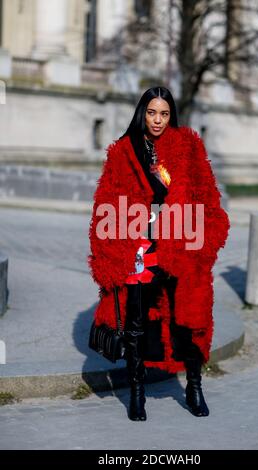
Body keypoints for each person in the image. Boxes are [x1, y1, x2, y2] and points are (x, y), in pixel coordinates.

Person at [88, 86, 230, 421]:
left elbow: (207, 197)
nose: (157, 120)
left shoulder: (188, 146)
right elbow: (106, 202)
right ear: (142, 112)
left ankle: (194, 387)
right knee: (136, 323)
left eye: (164, 114)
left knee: (187, 319)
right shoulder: (124, 151)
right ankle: (137, 392)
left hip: (181, 247)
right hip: (139, 249)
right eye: (152, 112)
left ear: (172, 116)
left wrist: (203, 244)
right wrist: (110, 254)